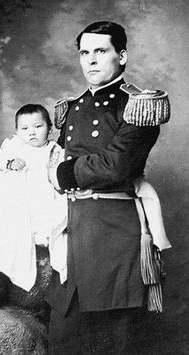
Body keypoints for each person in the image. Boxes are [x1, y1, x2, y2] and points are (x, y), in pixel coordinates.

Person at [46, 21, 171, 354]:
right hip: (72, 229)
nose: (91, 60)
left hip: (112, 233)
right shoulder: (71, 107)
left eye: (101, 51)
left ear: (122, 55)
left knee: (112, 339)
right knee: (63, 337)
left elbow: (118, 164)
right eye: (84, 53)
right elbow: (52, 158)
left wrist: (65, 173)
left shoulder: (138, 105)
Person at [0, 104, 67, 292]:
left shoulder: (55, 150)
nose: (32, 133)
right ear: (17, 131)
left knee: (55, 208)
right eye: (25, 128)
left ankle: (41, 234)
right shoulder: (15, 145)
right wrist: (10, 162)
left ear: (49, 128)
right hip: (18, 191)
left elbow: (60, 171)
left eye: (38, 127)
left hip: (43, 190)